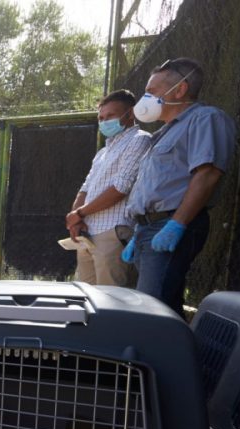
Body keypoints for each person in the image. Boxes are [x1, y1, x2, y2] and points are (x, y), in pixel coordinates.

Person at [121, 57, 237, 315]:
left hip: (171, 224)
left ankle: (150, 356)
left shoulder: (206, 119)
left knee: (150, 312)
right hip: (148, 229)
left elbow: (207, 174)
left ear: (180, 89)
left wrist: (178, 224)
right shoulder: (163, 133)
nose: (145, 98)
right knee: (166, 309)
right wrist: (140, 229)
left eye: (151, 91)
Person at [64, 89, 151, 286]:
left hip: (112, 232)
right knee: (85, 296)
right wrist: (76, 219)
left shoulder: (140, 140)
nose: (104, 122)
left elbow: (121, 187)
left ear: (130, 113)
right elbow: (85, 187)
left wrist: (79, 212)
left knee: (110, 299)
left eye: (110, 116)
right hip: (87, 233)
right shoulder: (103, 151)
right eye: (101, 117)